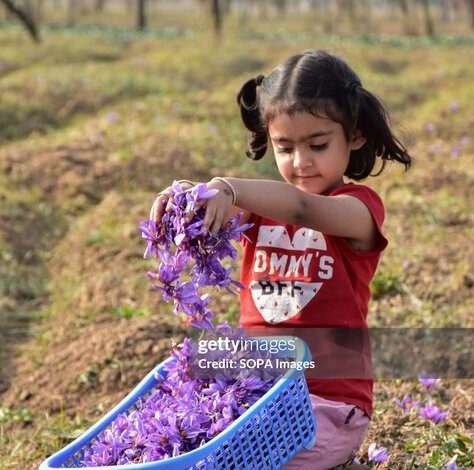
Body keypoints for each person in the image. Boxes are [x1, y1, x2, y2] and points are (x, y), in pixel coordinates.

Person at [150, 49, 412, 469]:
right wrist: (189, 200)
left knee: (246, 461)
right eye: (284, 147)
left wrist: (228, 185)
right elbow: (227, 209)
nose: (301, 162)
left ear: (356, 135)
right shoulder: (257, 207)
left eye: (318, 145)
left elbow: (301, 209)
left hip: (326, 404)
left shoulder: (359, 209)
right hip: (258, 392)